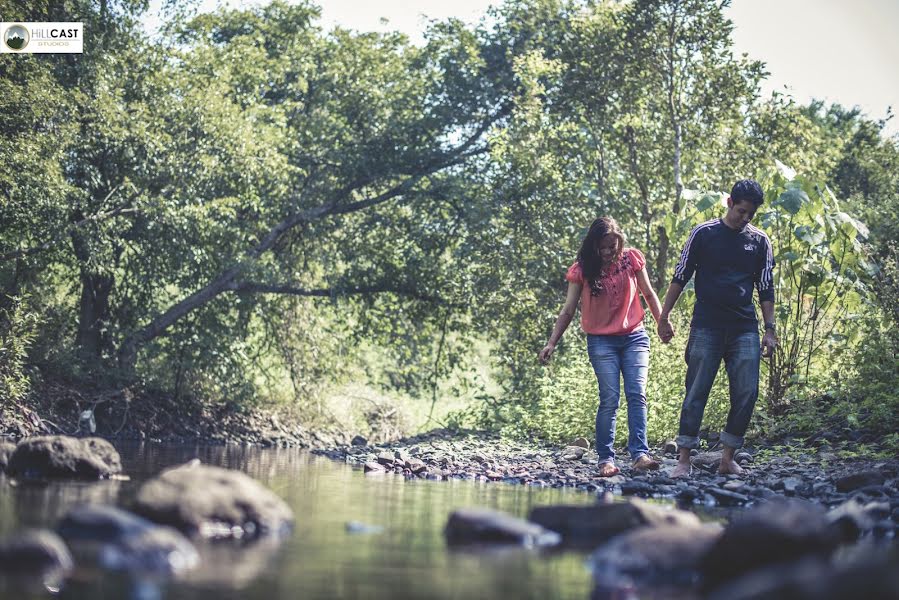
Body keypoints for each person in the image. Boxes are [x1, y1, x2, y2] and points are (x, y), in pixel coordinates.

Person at [656, 179, 777, 478]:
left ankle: (727, 458)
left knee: (748, 391)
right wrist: (664, 315)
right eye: (741, 211)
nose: (745, 218)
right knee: (696, 390)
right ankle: (683, 460)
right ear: (729, 203)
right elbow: (681, 275)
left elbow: (765, 287)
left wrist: (770, 329)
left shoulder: (760, 241)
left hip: (744, 327)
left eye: (751, 214)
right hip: (707, 325)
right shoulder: (704, 233)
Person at [540, 217, 665, 477]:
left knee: (637, 393)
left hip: (635, 337)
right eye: (603, 247)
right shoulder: (582, 270)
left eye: (613, 246)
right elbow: (568, 310)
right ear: (593, 246)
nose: (608, 251)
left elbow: (649, 293)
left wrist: (662, 322)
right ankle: (605, 459)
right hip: (601, 342)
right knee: (609, 399)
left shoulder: (631, 259)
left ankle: (640, 454)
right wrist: (552, 342)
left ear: (619, 241)